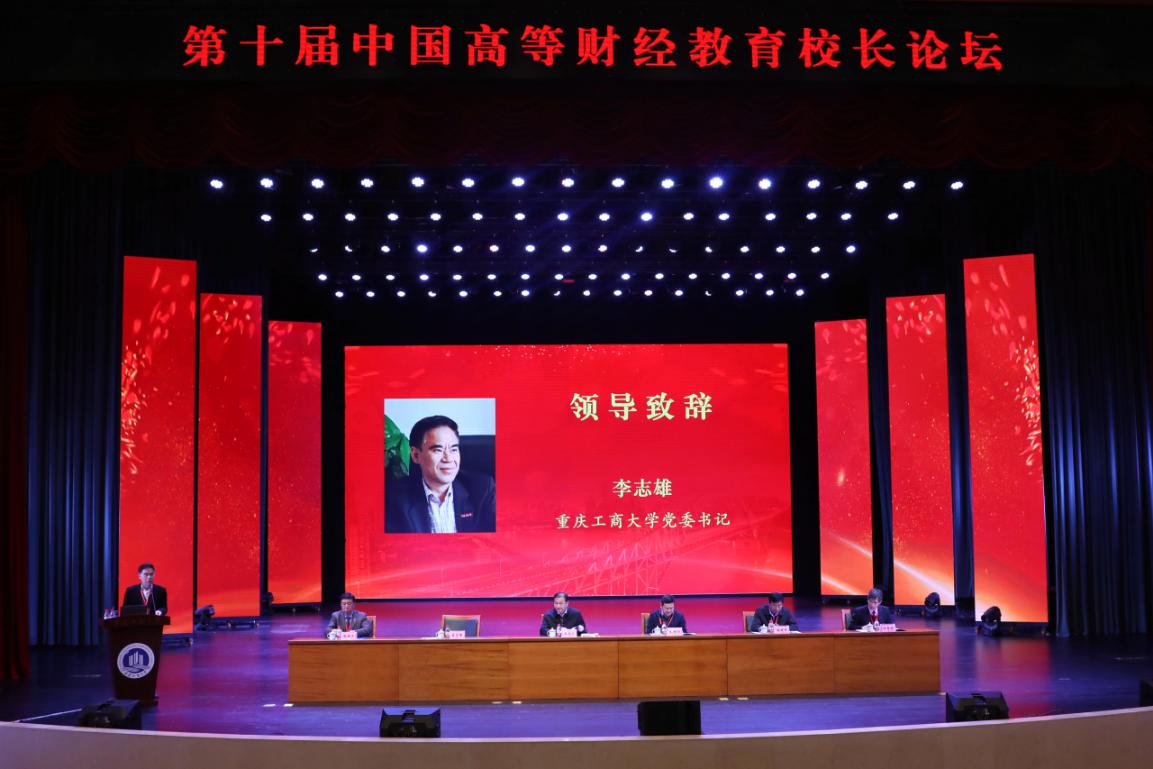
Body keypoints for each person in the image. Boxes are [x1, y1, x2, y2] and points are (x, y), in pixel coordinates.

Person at [385, 415, 496, 534]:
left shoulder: (482, 489)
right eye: (437, 450)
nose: (448, 459)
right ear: (416, 455)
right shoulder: (394, 498)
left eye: (453, 449)